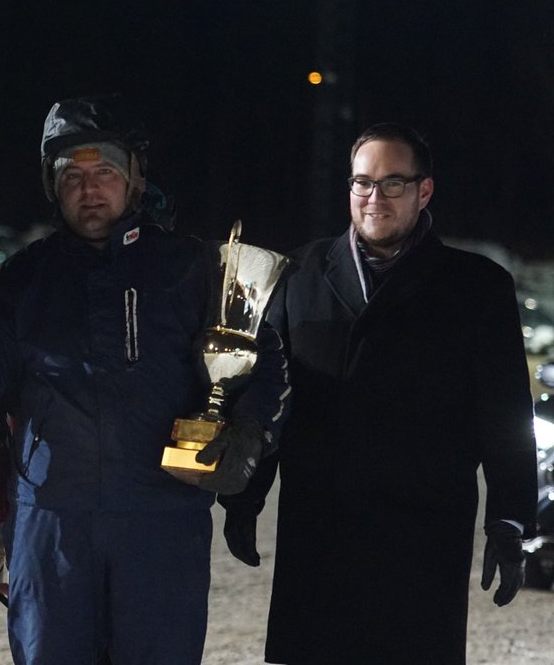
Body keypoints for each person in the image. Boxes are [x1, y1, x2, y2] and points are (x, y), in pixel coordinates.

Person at [0, 95, 291, 665]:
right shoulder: (22, 279)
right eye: (72, 176)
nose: (89, 188)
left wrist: (250, 432)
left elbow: (265, 363)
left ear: (134, 179)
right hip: (51, 522)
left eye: (104, 171)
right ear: (52, 188)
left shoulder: (193, 269)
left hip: (162, 519)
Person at [221, 122, 538, 664]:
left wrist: (509, 518)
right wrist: (246, 496)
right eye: (362, 182)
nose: (374, 198)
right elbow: (274, 394)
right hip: (319, 530)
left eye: (393, 183)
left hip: (423, 535)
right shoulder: (297, 276)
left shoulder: (477, 286)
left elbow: (506, 412)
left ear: (424, 190)